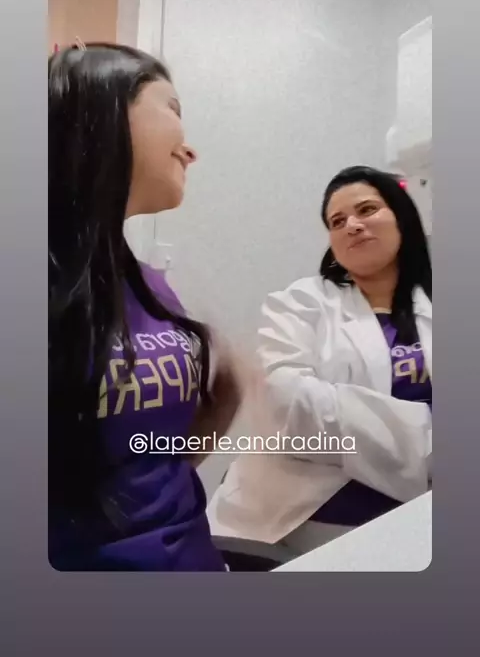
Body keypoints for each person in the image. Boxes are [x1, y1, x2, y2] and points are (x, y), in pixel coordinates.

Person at [49, 42, 252, 571]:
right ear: (102, 108)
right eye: (173, 108)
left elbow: (155, 459)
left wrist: (225, 397)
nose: (191, 151)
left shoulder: (150, 284)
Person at [208, 165, 432, 557]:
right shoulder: (298, 304)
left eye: (367, 210)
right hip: (304, 523)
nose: (352, 225)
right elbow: (290, 407)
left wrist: (342, 408)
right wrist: (430, 436)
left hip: (420, 515)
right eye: (337, 221)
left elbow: (320, 411)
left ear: (402, 216)